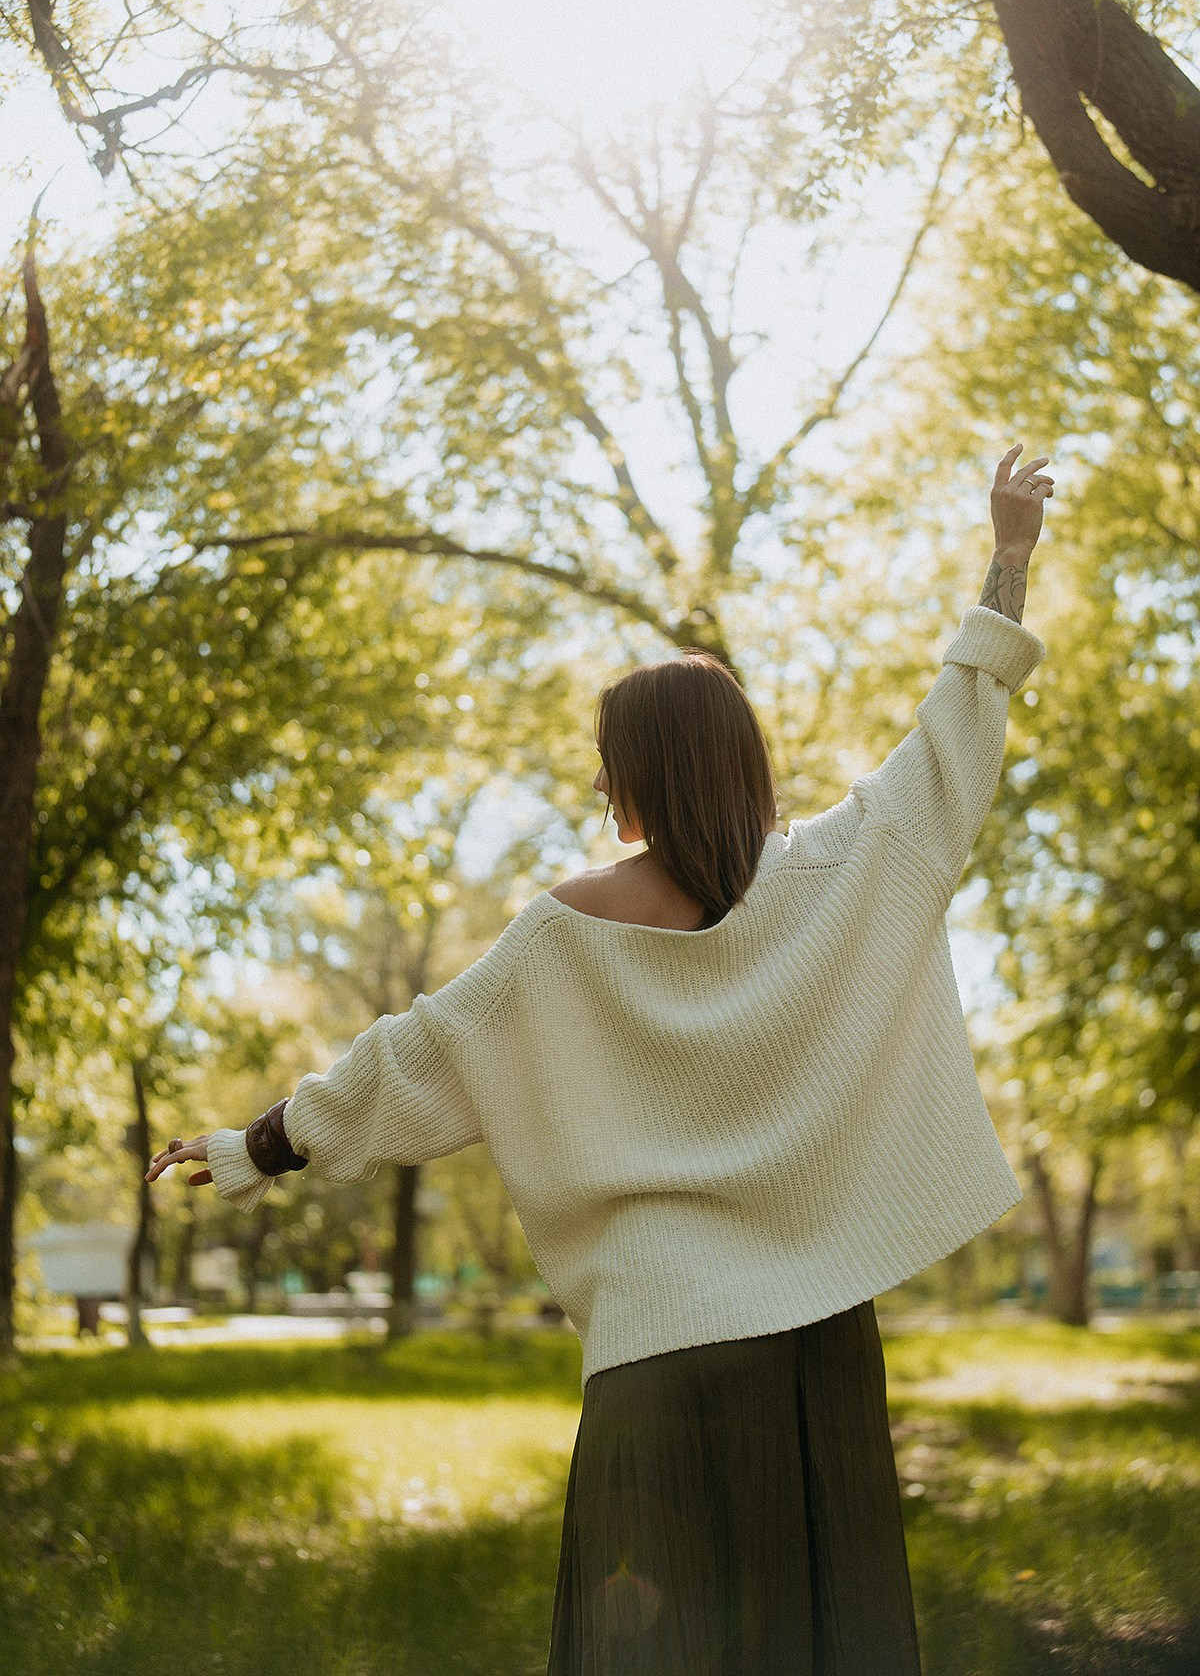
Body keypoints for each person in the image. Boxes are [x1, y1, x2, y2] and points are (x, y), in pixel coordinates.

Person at [147, 443, 1054, 1675]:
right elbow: (959, 724)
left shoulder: (555, 938)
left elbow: (410, 1062)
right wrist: (1007, 556)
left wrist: (253, 1148)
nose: (592, 782)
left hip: (652, 1353)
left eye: (605, 763)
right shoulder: (850, 867)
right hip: (810, 1348)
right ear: (742, 762)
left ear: (633, 778)